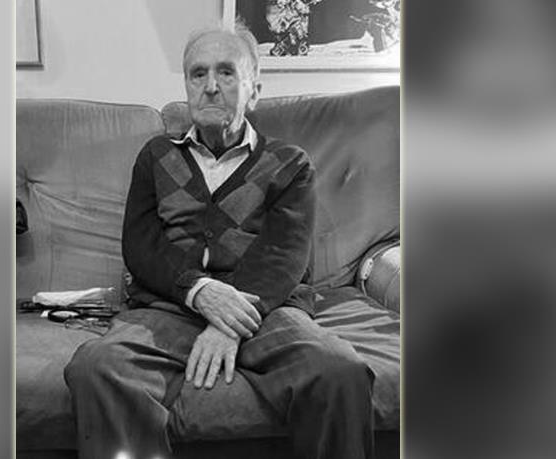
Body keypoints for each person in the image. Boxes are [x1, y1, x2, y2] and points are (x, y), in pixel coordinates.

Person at [64, 21, 374, 459]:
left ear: (254, 90)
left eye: (226, 72)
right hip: (170, 307)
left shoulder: (290, 164)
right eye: (198, 73)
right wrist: (199, 291)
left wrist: (229, 320)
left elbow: (285, 254)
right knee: (97, 367)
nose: (210, 86)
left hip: (267, 310)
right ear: (187, 87)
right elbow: (141, 245)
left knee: (338, 371)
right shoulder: (156, 156)